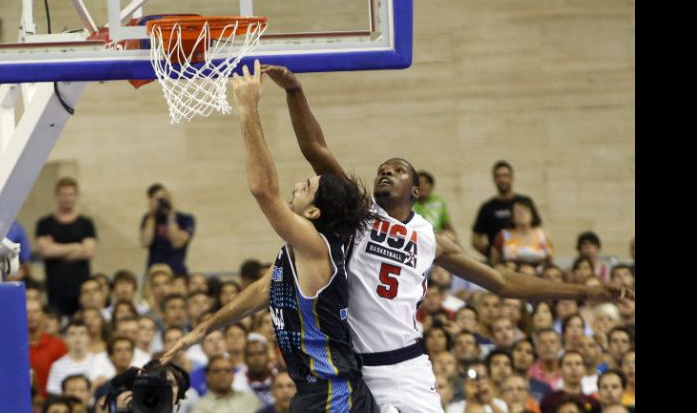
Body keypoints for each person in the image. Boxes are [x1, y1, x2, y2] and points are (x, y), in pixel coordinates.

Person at [258, 64, 631, 412]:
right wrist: (295, 91)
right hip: (359, 369)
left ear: (416, 190)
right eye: (382, 169)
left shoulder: (431, 240)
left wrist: (583, 291)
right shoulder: (362, 215)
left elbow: (502, 282)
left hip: (408, 366)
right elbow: (315, 148)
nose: (386, 172)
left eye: (397, 170)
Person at [163, 61, 379, 411]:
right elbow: (264, 289)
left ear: (314, 213)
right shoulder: (298, 252)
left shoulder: (315, 244)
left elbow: (264, 190)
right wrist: (203, 329)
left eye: (306, 187)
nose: (297, 185)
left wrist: (248, 107)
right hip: (320, 392)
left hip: (335, 394)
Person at [36, 177, 98, 317]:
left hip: (81, 287)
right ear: (57, 195)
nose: (67, 198)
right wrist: (76, 246)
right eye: (63, 194)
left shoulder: (85, 223)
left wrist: (56, 248)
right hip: (55, 286)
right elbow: (45, 251)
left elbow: (88, 252)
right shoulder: (45, 224)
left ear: (76, 196)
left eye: (70, 194)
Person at [471, 161, 536, 263]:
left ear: (512, 178)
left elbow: (536, 228)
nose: (502, 179)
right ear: (494, 179)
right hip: (500, 262)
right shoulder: (487, 207)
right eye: (498, 176)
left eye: (506, 175)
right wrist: (494, 253)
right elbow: (476, 240)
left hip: (527, 258)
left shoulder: (525, 202)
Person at [140, 183, 196, 276]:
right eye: (157, 199)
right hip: (154, 273)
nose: (162, 202)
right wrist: (152, 216)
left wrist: (171, 215)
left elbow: (177, 243)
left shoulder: (186, 219)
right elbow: (145, 242)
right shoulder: (149, 219)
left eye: (164, 197)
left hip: (177, 272)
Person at [490, 196, 554, 268]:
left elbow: (550, 263)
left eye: (525, 210)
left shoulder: (543, 235)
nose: (522, 213)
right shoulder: (502, 236)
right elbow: (494, 263)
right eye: (518, 211)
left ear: (532, 215)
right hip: (511, 272)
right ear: (512, 217)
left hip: (538, 273)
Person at [413, 170, 457, 238]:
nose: (422, 186)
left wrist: (453, 237)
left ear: (432, 186)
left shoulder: (438, 202)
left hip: (435, 236)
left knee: (450, 236)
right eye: (419, 183)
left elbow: (447, 225)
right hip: (414, 236)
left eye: (426, 183)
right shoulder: (406, 203)